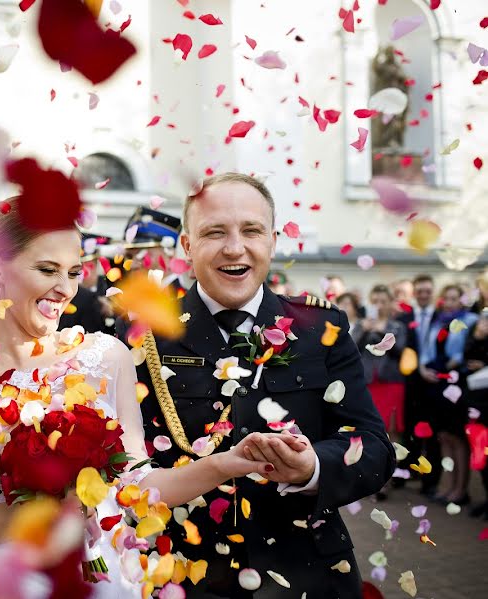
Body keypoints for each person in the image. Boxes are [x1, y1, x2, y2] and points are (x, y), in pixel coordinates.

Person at [0, 197, 277, 597]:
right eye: (47, 269)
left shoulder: (105, 357)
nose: (65, 288)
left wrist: (225, 464)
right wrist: (34, 514)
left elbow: (138, 486)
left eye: (73, 272)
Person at [129, 172, 394, 597]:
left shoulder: (321, 327)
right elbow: (126, 468)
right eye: (215, 232)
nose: (235, 248)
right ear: (187, 246)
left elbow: (373, 446)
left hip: (307, 571)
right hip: (183, 575)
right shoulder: (143, 336)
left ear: (272, 240)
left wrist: (312, 467)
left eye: (251, 230)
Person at [418, 283, 479, 505]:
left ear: (462, 300)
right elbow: (426, 351)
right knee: (442, 435)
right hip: (435, 383)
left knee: (457, 435)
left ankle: (461, 489)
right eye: (447, 298)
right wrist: (424, 369)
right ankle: (448, 485)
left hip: (456, 382)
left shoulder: (471, 321)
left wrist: (454, 364)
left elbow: (470, 349)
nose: (450, 303)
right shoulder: (437, 322)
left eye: (455, 298)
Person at [352, 285, 408, 499]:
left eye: (383, 301)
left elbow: (399, 351)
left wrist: (381, 332)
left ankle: (387, 478)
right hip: (368, 383)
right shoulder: (361, 324)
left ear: (390, 302)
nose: (379, 305)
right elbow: (350, 348)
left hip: (390, 382)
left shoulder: (397, 326)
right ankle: (370, 475)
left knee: (392, 430)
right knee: (369, 430)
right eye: (375, 301)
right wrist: (364, 329)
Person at [396, 274, 441, 495]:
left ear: (433, 293)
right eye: (420, 291)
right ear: (414, 293)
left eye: (427, 291)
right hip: (410, 382)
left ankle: (430, 482)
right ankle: (405, 471)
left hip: (434, 384)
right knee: (409, 430)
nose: (423, 295)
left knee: (432, 434)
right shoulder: (404, 318)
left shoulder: (442, 318)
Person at [464, 309, 488, 519]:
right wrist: (477, 338)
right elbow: (466, 356)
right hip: (478, 400)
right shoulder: (478, 331)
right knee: (482, 453)